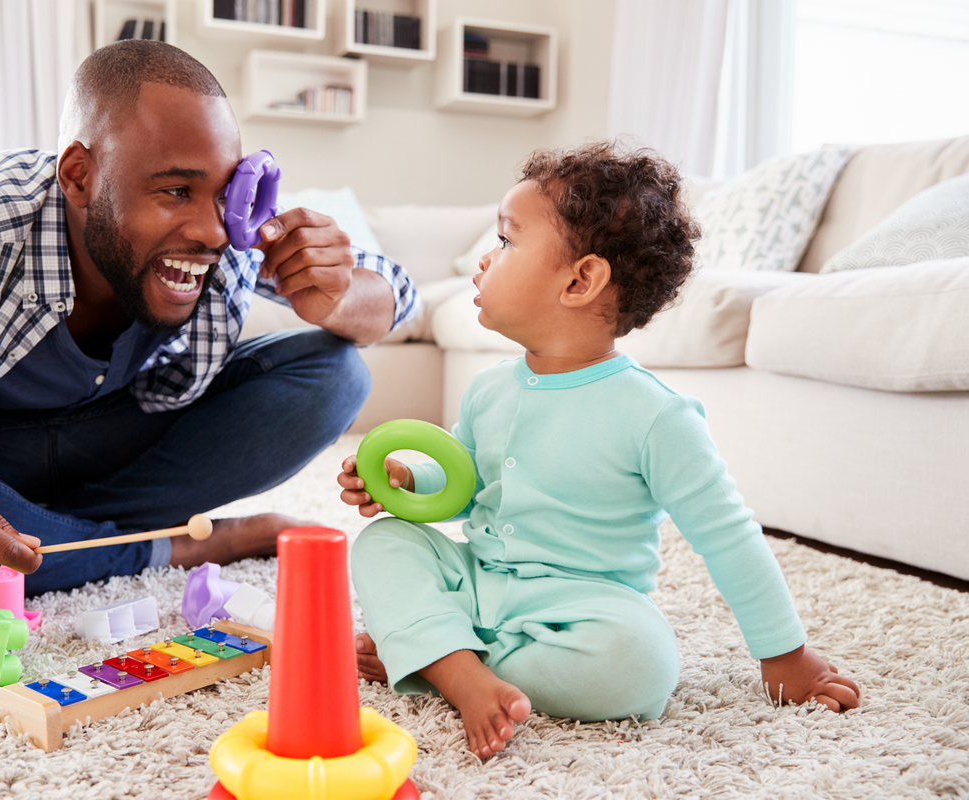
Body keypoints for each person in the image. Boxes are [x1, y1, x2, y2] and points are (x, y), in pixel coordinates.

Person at [0, 40, 416, 612]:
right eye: (174, 192)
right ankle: (177, 547)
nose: (215, 231)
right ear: (79, 175)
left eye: (222, 194)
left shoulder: (229, 232)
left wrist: (329, 294)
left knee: (333, 375)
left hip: (113, 442)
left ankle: (17, 553)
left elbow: (396, 292)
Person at [336, 142, 859, 760]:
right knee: (385, 543)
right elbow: (465, 487)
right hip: (478, 577)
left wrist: (787, 655)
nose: (483, 260)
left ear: (581, 279)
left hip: (580, 603)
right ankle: (453, 664)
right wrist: (406, 479)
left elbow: (729, 536)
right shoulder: (489, 388)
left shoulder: (655, 415)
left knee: (641, 666)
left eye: (505, 243)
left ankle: (435, 652)